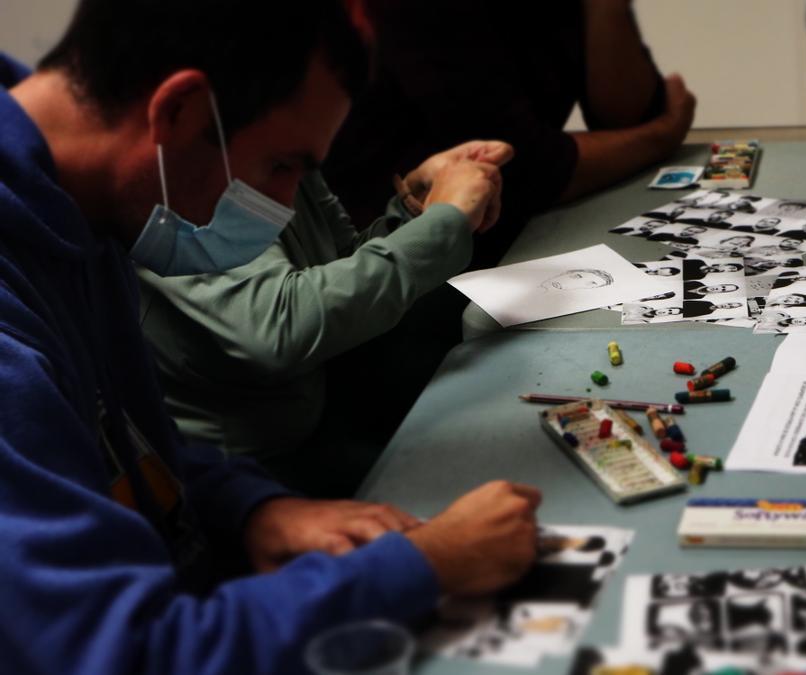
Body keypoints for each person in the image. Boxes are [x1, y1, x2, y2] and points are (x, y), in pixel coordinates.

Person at [0, 2, 541, 672]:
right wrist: (422, 566)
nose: (285, 208)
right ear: (180, 114)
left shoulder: (76, 201)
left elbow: (124, 444)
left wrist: (251, 509)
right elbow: (124, 653)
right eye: (282, 166)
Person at [137, 140, 511, 494]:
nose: (281, 201)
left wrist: (415, 210)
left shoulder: (278, 142)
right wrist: (444, 222)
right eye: (283, 167)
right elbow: (278, 327)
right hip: (240, 468)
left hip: (311, 412)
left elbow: (337, 266)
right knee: (472, 483)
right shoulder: (178, 173)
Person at [324, 0, 697, 265]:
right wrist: (661, 136)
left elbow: (625, 118)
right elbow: (526, 166)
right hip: (387, 262)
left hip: (498, 234)